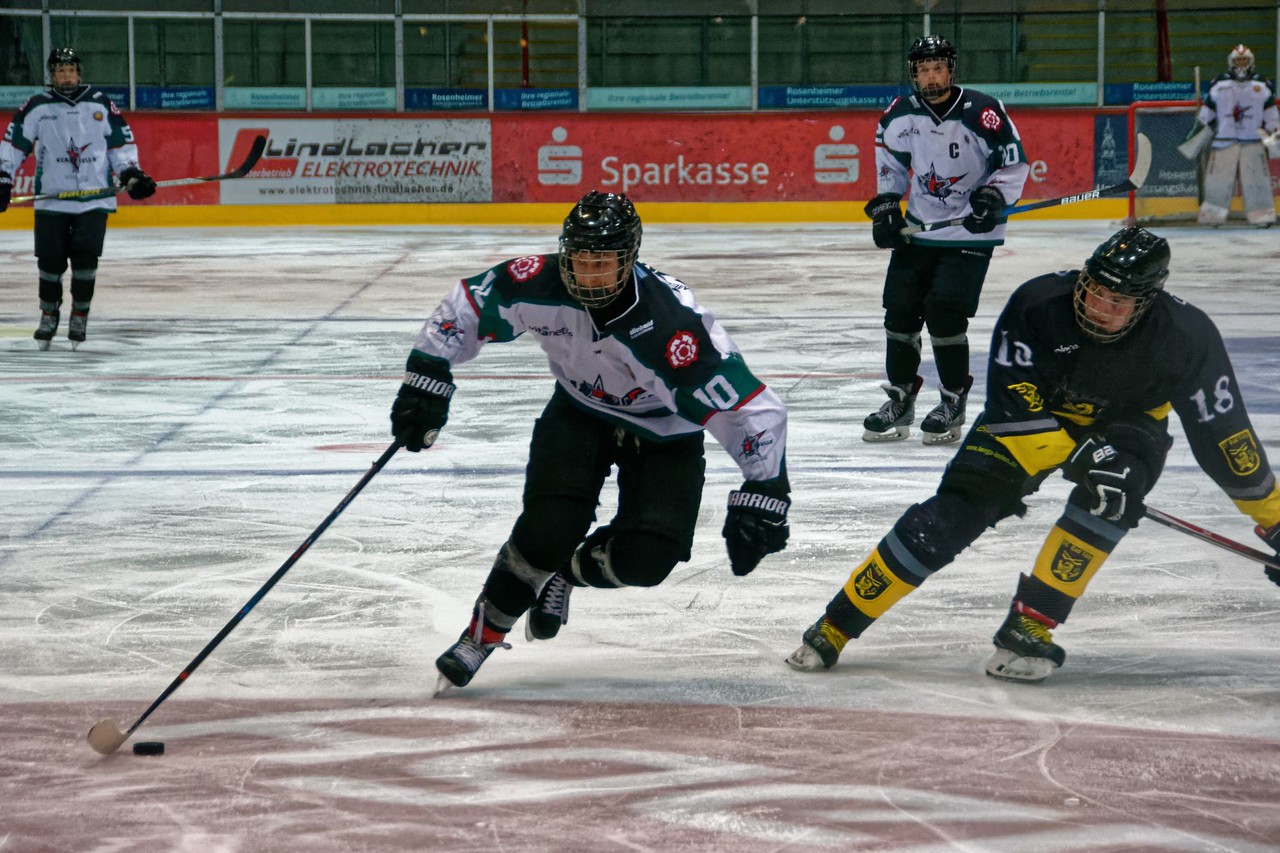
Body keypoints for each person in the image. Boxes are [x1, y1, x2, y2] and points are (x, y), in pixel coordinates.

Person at [787, 225, 1280, 682]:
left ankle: (1030, 626)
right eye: (1095, 290)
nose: (1098, 306)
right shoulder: (1038, 303)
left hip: (1127, 427)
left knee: (1112, 495)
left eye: (1116, 300)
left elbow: (1226, 438)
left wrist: (1275, 521)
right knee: (951, 514)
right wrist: (1079, 453)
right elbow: (1012, 401)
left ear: (1147, 302)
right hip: (1032, 417)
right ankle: (836, 624)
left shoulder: (1187, 338)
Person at [390, 190, 791, 691]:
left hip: (666, 432)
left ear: (629, 258)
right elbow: (468, 304)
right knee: (546, 529)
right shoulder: (538, 279)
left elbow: (749, 408)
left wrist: (765, 490)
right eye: (580, 259)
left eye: (603, 263)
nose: (589, 275)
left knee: (648, 560)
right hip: (579, 412)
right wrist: (427, 376)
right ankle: (479, 638)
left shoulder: (670, 328)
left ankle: (567, 574)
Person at [862, 34, 1030, 445]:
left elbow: (1012, 163)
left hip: (973, 229)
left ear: (951, 70)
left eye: (938, 68)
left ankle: (953, 400)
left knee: (945, 311)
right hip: (922, 227)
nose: (932, 77)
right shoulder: (900, 115)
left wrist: (993, 197)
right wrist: (888, 207)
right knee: (899, 311)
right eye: (924, 70)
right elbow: (890, 166)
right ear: (914, 74)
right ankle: (900, 398)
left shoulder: (983, 111)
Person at [0, 48, 156, 350]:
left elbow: (119, 146)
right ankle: (49, 313)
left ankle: (80, 314)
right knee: (50, 261)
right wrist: (3, 177)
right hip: (52, 198)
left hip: (94, 197)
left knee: (85, 258)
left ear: (79, 73)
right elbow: (14, 143)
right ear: (52, 76)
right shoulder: (38, 106)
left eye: (70, 70)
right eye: (60, 71)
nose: (66, 76)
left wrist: (131, 174)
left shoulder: (101, 104)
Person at [1184, 44, 1279, 228]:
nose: (1241, 64)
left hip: (1252, 141)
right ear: (1231, 62)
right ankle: (1212, 216)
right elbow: (1207, 115)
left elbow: (1271, 117)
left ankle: (1262, 217)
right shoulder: (1219, 84)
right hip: (1224, 141)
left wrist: (1274, 143)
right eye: (1238, 60)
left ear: (1251, 61)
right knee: (1217, 181)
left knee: (1257, 181)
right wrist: (1193, 142)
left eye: (1244, 60)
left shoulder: (1262, 84)